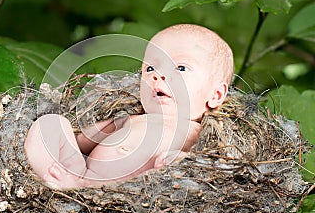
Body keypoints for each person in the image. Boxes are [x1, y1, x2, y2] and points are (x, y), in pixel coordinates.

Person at [24, 24, 234, 189]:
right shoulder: (132, 119)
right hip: (79, 173)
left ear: (216, 95)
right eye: (150, 67)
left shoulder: (196, 134)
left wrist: (181, 162)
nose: (157, 75)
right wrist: (65, 141)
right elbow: (80, 140)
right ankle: (50, 179)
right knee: (51, 124)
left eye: (181, 67)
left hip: (126, 193)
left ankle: (71, 188)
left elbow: (212, 168)